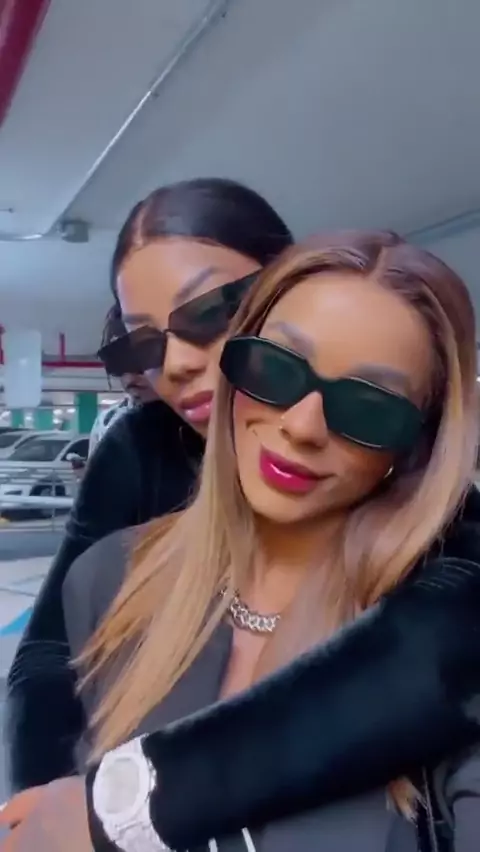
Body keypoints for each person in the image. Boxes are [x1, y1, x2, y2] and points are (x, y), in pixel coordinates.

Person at [3, 231, 480, 852]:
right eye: (274, 368)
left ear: (417, 443)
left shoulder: (452, 647)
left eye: (369, 407)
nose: (302, 426)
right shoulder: (109, 579)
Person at [5, 177, 293, 791]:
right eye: (143, 343)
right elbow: (50, 654)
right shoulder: (141, 448)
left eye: (209, 313)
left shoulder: (391, 450)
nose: (174, 364)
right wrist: (52, 800)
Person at [87, 307, 157, 457]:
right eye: (117, 364)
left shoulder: (199, 418)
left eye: (139, 362)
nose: (129, 379)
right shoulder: (107, 425)